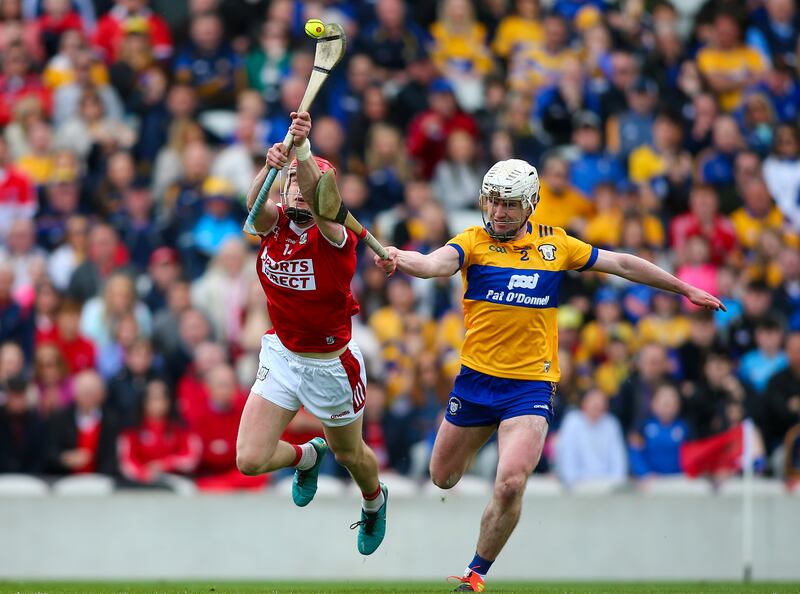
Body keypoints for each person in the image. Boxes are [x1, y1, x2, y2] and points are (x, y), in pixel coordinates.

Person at [374, 158, 724, 591]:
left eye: (509, 204)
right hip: (476, 382)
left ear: (530, 205)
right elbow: (433, 265)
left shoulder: (556, 246)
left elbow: (624, 265)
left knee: (511, 482)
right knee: (442, 476)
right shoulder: (473, 241)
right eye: (493, 202)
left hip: (530, 387)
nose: (499, 212)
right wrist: (398, 257)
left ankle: (475, 574)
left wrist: (685, 288)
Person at [235, 111, 388, 556]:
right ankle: (306, 456)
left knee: (351, 454)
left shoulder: (336, 236)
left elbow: (322, 203)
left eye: (309, 184)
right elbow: (253, 205)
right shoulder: (275, 224)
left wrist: (302, 151)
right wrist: (271, 165)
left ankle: (374, 502)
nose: (298, 190)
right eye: (293, 185)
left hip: (331, 365)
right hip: (283, 354)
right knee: (249, 459)